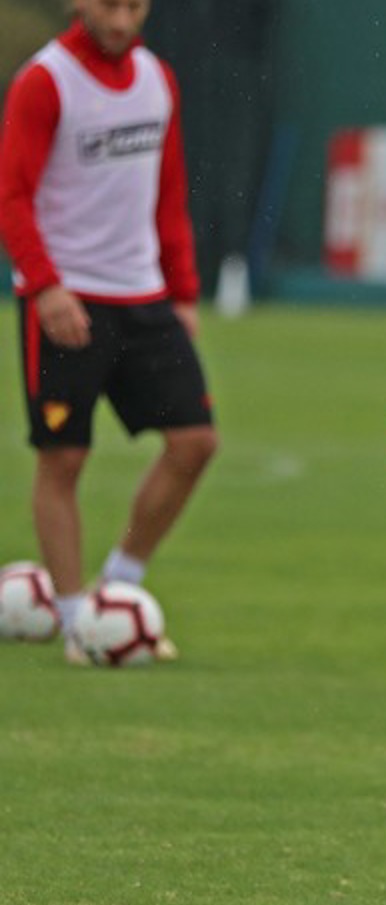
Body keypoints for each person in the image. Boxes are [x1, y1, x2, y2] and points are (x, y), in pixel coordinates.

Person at [1, 0, 215, 663]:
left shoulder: (156, 78)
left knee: (195, 443)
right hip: (67, 299)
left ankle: (119, 588)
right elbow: (12, 194)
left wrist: (183, 291)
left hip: (145, 296)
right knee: (63, 459)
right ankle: (75, 621)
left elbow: (168, 193)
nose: (121, 20)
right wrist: (46, 286)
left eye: (133, 5)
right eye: (108, 4)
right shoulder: (46, 80)